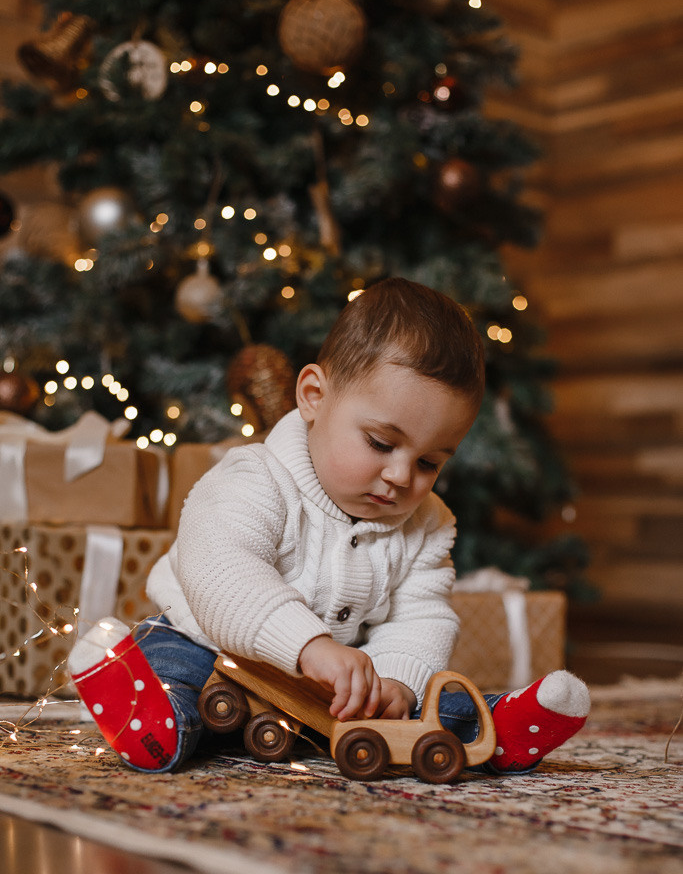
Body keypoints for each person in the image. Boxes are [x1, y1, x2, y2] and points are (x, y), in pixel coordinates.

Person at [68, 277, 590, 775]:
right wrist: (311, 648)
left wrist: (394, 683)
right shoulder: (253, 477)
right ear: (314, 396)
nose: (401, 477)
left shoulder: (428, 526)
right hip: (208, 647)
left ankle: (496, 729)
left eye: (430, 463)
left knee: (430, 703)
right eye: (381, 444)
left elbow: (422, 617)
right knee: (168, 662)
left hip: (331, 690)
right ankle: (150, 716)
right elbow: (222, 575)